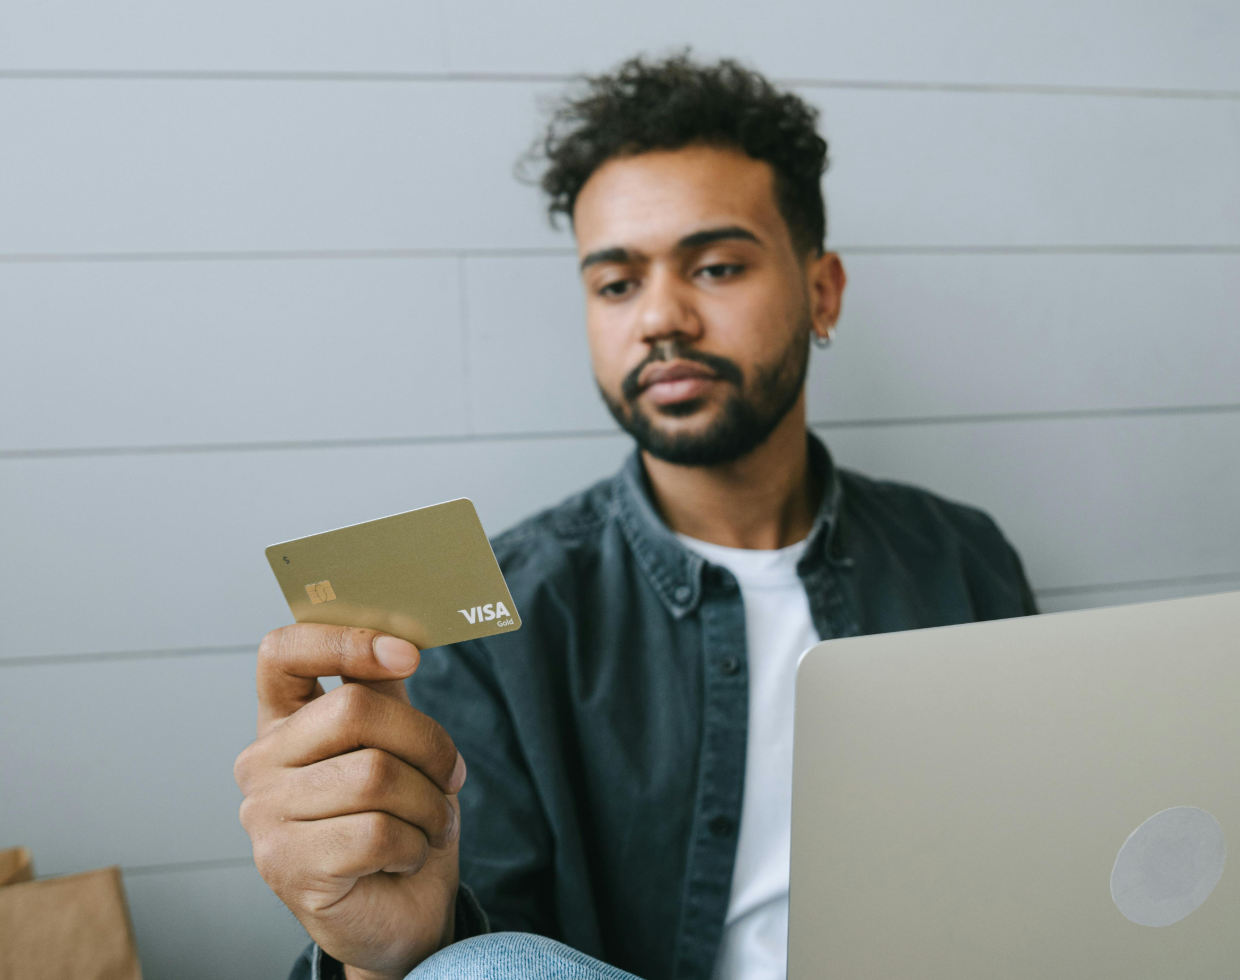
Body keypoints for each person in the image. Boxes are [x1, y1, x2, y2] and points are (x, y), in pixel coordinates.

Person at [233, 54, 1036, 980]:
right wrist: (397, 950)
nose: (662, 318)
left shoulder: (962, 557)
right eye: (617, 284)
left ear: (822, 292)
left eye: (718, 266)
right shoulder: (501, 615)